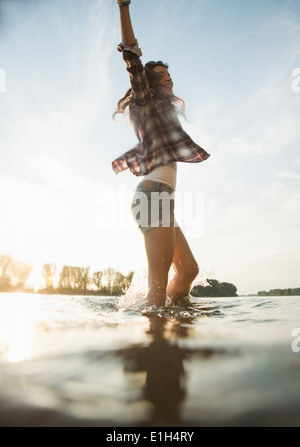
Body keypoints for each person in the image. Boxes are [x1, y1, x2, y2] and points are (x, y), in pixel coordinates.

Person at [112, 0, 210, 307]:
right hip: (152, 196)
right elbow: (131, 57)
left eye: (169, 74)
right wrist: (124, 7)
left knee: (188, 270)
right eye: (162, 76)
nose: (169, 78)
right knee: (159, 281)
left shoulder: (163, 115)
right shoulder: (146, 102)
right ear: (150, 84)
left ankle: (168, 320)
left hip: (160, 198)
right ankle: (154, 334)